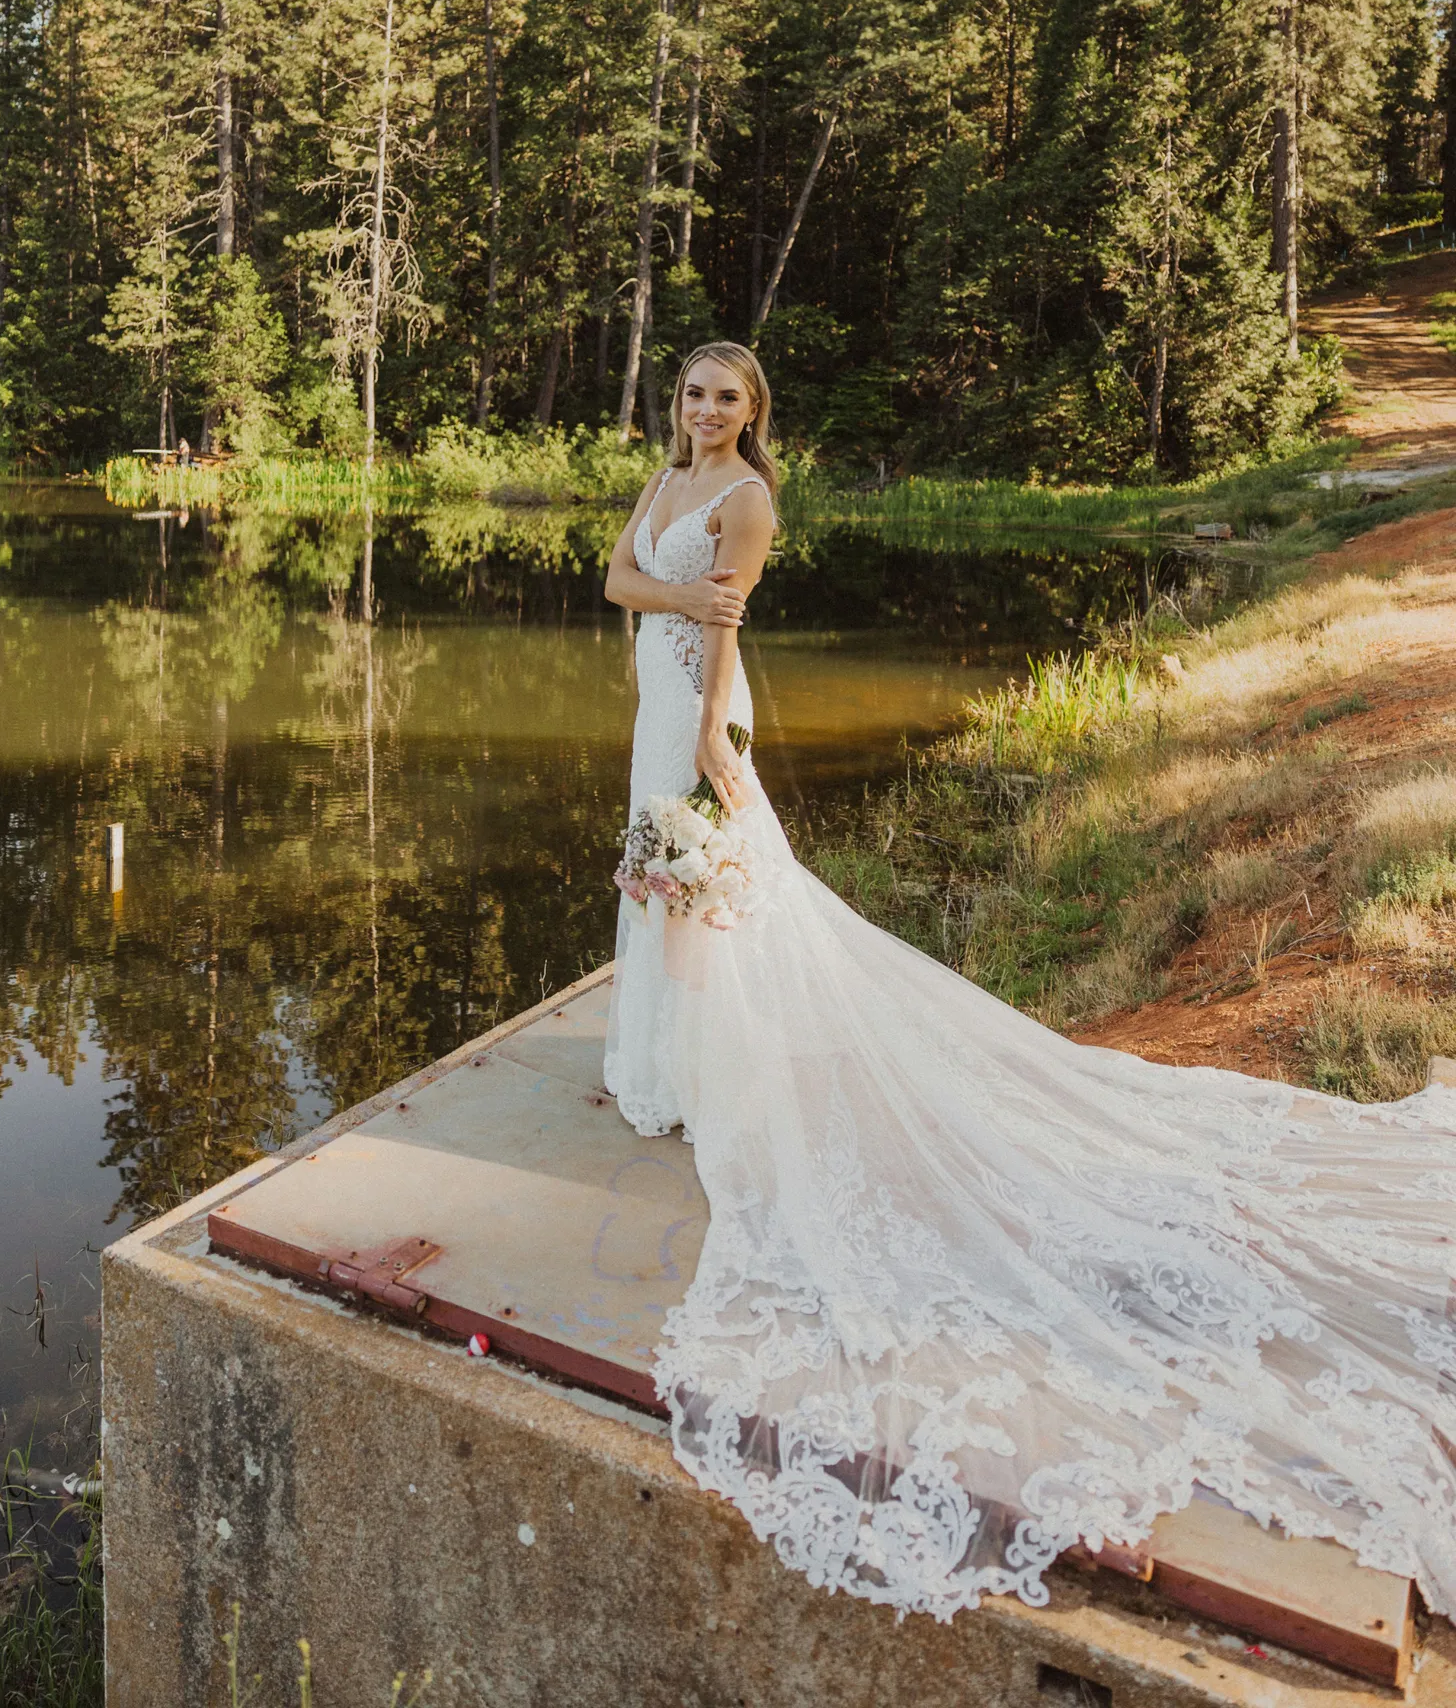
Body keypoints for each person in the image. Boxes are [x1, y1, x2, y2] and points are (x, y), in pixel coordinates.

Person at [603, 340, 1456, 1626]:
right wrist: (677, 601)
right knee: (677, 884)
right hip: (651, 699)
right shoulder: (667, 483)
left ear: (754, 411)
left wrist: (719, 733)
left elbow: (725, 634)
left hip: (696, 707)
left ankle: (709, 1056)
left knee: (709, 881)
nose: (707, 410)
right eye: (693, 394)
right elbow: (617, 581)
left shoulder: (747, 498)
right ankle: (668, 1054)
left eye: (727, 397)